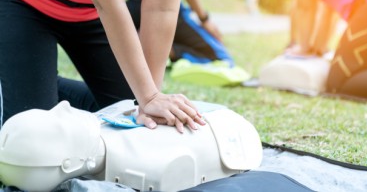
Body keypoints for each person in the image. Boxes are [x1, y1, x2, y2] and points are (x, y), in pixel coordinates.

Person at [0, 0, 206, 132]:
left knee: (130, 108)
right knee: (31, 132)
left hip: (90, 13)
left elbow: (162, 7)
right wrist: (148, 96)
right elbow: (108, 2)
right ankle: (13, 81)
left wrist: (149, 100)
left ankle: (26, 80)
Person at [0, 100, 262, 191]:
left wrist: (148, 97)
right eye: (57, 123)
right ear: (68, 163)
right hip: (227, 135)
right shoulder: (152, 165)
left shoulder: (94, 131)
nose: (64, 106)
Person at [126, 0, 234, 66]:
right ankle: (159, 50)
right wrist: (204, 19)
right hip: (164, 7)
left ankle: (152, 46)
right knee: (223, 60)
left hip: (133, 6)